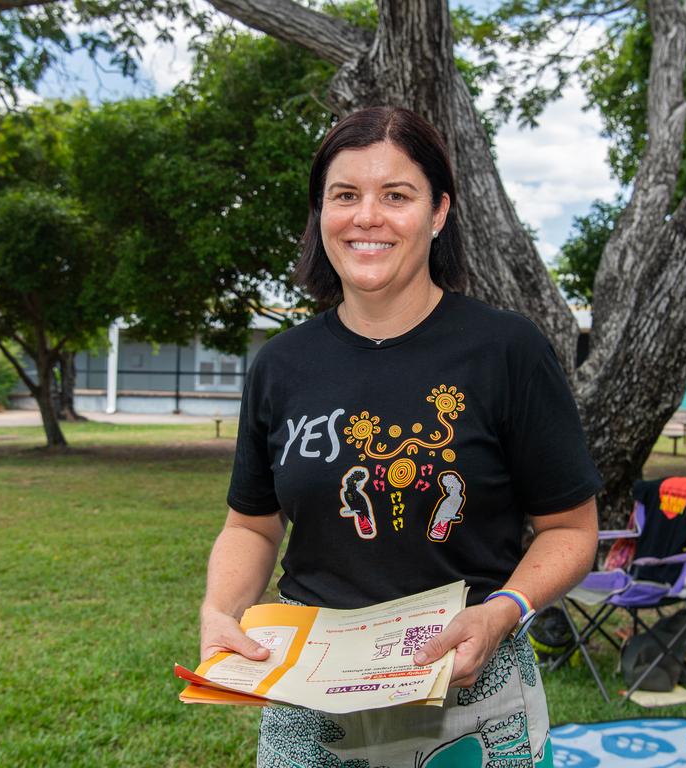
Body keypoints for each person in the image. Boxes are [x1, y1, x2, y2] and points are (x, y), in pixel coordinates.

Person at [199, 106, 601, 768]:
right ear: (320, 214)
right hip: (311, 704)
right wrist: (220, 609)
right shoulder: (280, 365)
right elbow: (251, 526)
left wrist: (500, 612)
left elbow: (570, 529)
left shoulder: (505, 349)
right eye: (345, 195)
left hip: (472, 695)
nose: (367, 217)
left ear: (439, 212)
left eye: (397, 195)